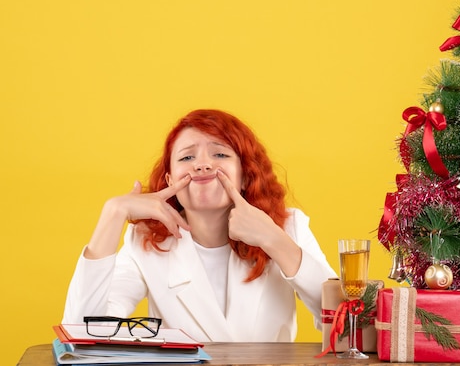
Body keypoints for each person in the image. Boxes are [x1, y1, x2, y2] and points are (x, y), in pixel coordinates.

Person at [62, 109, 337, 342]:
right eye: (187, 157)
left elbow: (349, 328)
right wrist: (113, 212)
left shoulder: (288, 227)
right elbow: (84, 334)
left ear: (244, 176)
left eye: (219, 155)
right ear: (170, 181)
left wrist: (275, 241)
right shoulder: (145, 241)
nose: (203, 165)